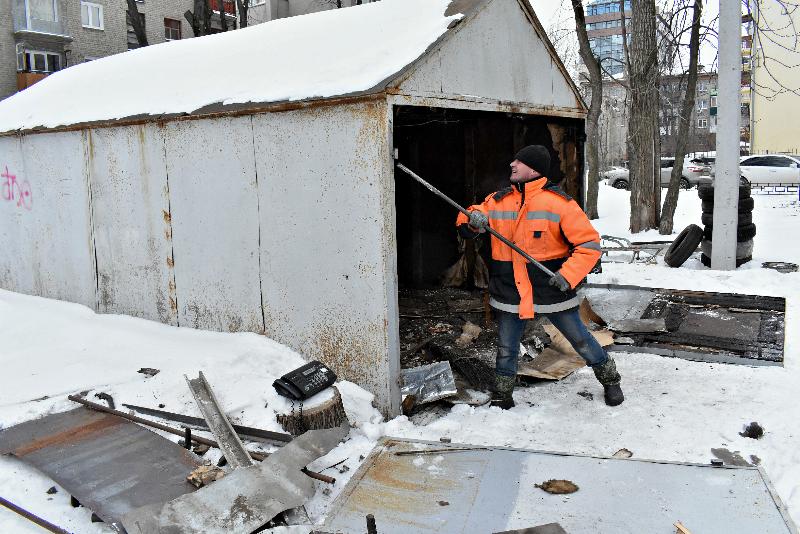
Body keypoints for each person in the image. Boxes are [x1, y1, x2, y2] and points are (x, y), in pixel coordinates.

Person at [455, 145, 623, 409]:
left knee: (581, 339)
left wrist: (568, 275)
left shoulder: (560, 204)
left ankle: (611, 380)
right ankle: (502, 395)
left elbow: (589, 246)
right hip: (510, 289)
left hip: (551, 289)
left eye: (518, 162)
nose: (512, 164)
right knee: (506, 348)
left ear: (533, 169)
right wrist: (472, 220)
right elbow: (470, 219)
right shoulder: (497, 201)